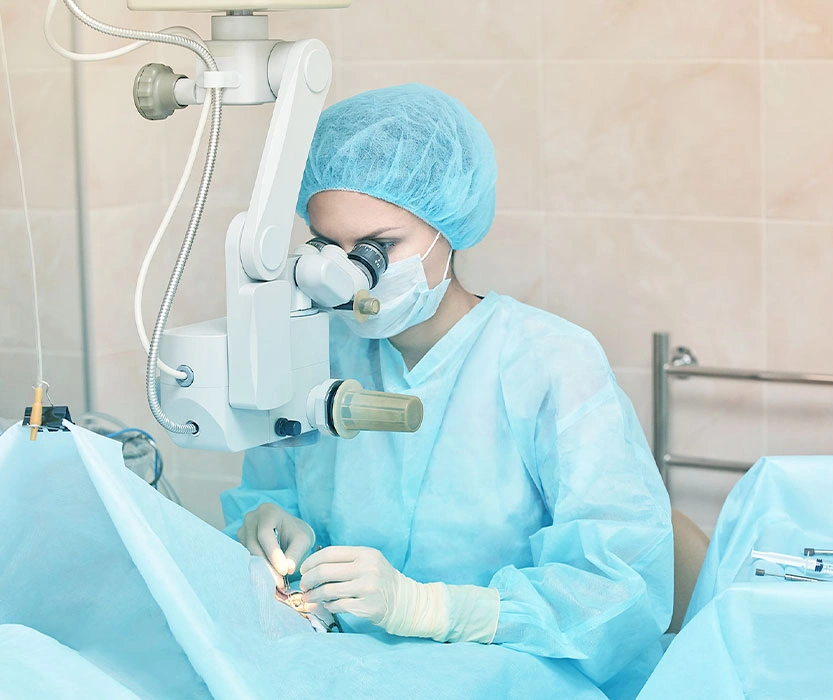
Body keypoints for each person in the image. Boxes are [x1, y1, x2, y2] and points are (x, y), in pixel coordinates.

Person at [221, 83, 674, 700]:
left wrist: (435, 610)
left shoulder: (548, 361)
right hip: (340, 668)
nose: (350, 277)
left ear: (447, 229)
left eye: (380, 248)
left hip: (510, 673)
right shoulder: (314, 352)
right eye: (331, 249)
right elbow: (269, 494)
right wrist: (271, 529)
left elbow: (620, 589)